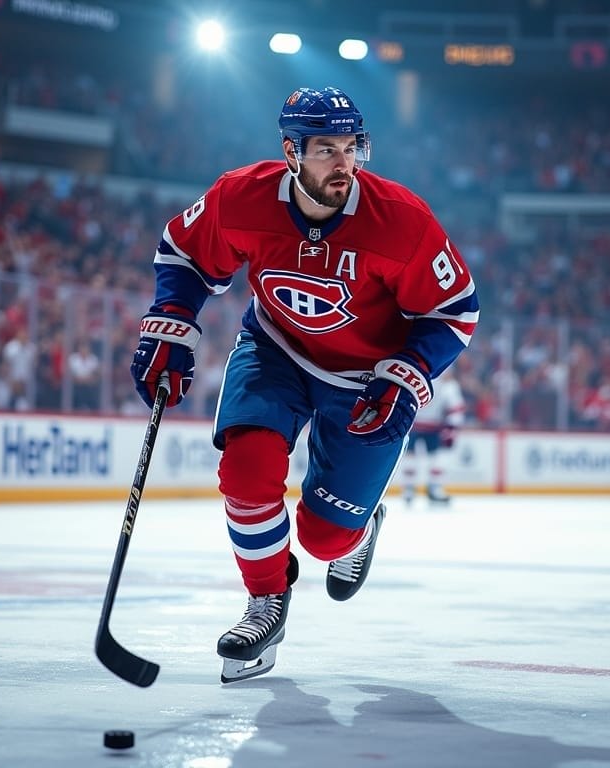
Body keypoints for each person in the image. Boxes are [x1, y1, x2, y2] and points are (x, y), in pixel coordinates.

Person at [130, 86, 479, 682]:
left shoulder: (402, 222)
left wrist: (406, 375)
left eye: (353, 148)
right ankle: (266, 599)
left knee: (326, 542)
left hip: (365, 381)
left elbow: (455, 310)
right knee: (245, 471)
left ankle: (361, 526)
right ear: (291, 153)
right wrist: (172, 321)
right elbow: (186, 255)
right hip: (276, 349)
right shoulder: (241, 196)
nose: (344, 164)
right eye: (326, 150)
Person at [401, 366, 466, 505]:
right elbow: (456, 409)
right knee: (422, 458)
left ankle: (414, 490)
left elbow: (455, 409)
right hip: (421, 425)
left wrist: (451, 427)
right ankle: (416, 490)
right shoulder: (448, 385)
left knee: (430, 458)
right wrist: (451, 427)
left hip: (419, 424)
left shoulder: (444, 384)